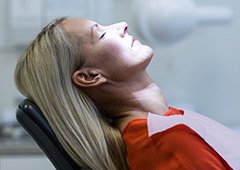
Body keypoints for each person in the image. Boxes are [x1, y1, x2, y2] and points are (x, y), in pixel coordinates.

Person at [14, 17, 240, 170]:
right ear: (90, 76)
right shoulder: (164, 143)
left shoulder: (165, 126)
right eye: (101, 35)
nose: (122, 25)